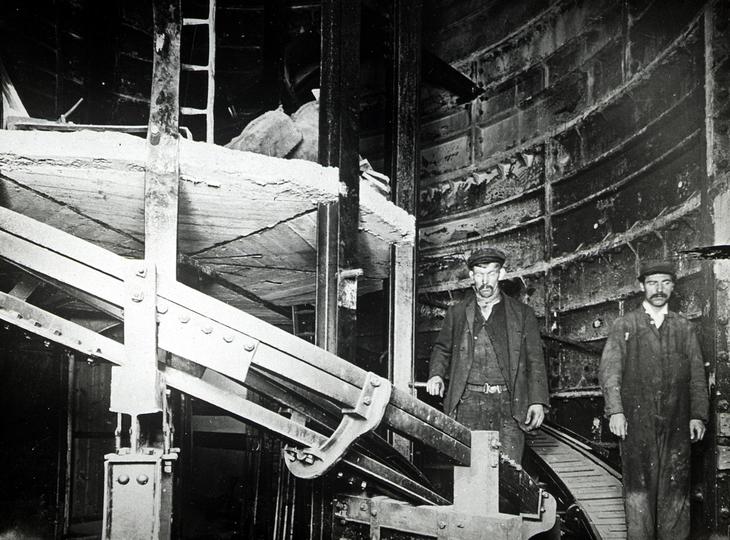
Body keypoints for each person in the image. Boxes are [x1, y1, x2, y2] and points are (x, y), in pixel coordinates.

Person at [599, 260, 708, 540]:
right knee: (638, 495)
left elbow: (697, 374)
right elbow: (610, 372)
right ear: (641, 286)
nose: (659, 289)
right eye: (652, 283)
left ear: (673, 286)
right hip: (638, 424)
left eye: (665, 282)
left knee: (676, 496)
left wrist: (698, 414)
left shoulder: (684, 328)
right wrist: (616, 412)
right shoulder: (625, 325)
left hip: (677, 424)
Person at [426, 247, 549, 463]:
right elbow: (442, 348)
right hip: (468, 403)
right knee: (469, 472)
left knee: (509, 474)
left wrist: (538, 401)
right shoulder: (457, 313)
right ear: (471, 276)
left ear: (501, 274)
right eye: (480, 274)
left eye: (491, 273)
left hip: (509, 404)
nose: (486, 281)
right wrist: (436, 374)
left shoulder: (523, 314)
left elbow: (535, 360)